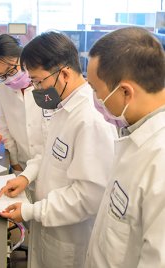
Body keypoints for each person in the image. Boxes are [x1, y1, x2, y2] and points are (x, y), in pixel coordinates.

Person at [0, 31, 117, 268]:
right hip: (49, 228)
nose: (36, 89)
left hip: (70, 239)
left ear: (64, 73)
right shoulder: (63, 107)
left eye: (39, 81)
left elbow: (87, 197)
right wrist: (26, 176)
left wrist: (31, 212)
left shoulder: (90, 120)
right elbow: (48, 153)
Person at [84, 27, 165, 267]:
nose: (95, 99)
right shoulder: (136, 131)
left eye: (96, 90)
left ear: (126, 92)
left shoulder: (159, 162)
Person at [0, 34, 51, 175]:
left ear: (23, 56)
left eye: (11, 70)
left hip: (51, 166)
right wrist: (14, 162)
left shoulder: (46, 83)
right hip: (22, 164)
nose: (9, 78)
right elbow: (2, 125)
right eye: (1, 75)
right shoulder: (1, 87)